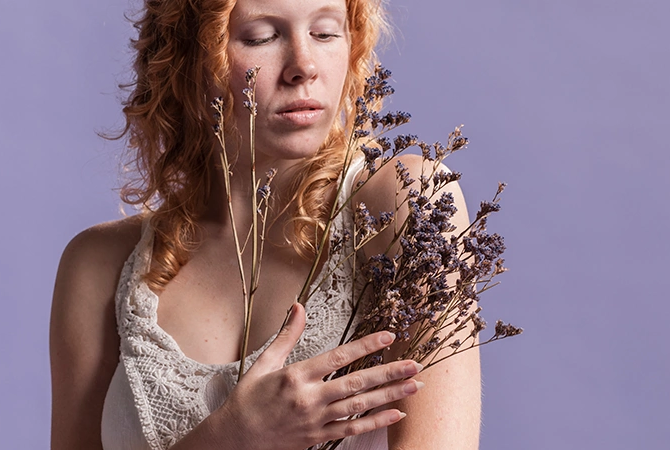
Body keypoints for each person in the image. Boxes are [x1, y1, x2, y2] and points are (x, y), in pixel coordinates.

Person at [50, 0, 481, 448]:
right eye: (261, 37)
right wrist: (230, 438)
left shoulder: (407, 203)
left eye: (325, 32)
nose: (304, 66)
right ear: (187, 57)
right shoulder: (100, 266)